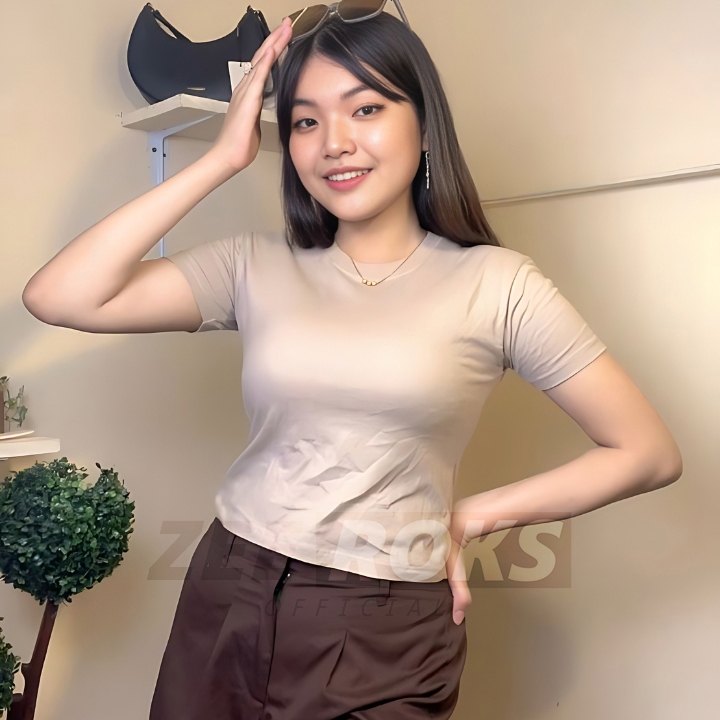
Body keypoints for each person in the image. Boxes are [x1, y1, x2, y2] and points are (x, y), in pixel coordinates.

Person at [21, 6, 683, 720]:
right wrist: (221, 159)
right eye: (305, 120)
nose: (335, 143)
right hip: (230, 583)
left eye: (366, 108)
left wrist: (471, 517)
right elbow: (59, 296)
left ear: (424, 125)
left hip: (386, 623)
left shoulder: (500, 285)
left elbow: (646, 452)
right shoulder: (253, 265)